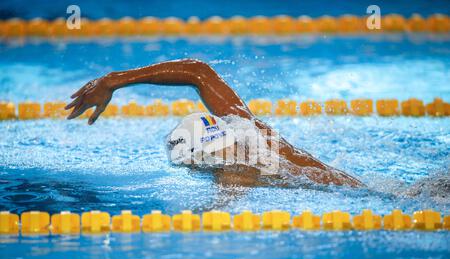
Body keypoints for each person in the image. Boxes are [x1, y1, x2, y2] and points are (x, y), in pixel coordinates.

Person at [65, 59, 363, 187]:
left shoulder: (238, 167)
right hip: (362, 186)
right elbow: (199, 72)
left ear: (202, 155)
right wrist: (113, 80)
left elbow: (225, 209)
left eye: (190, 164)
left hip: (362, 196)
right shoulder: (242, 125)